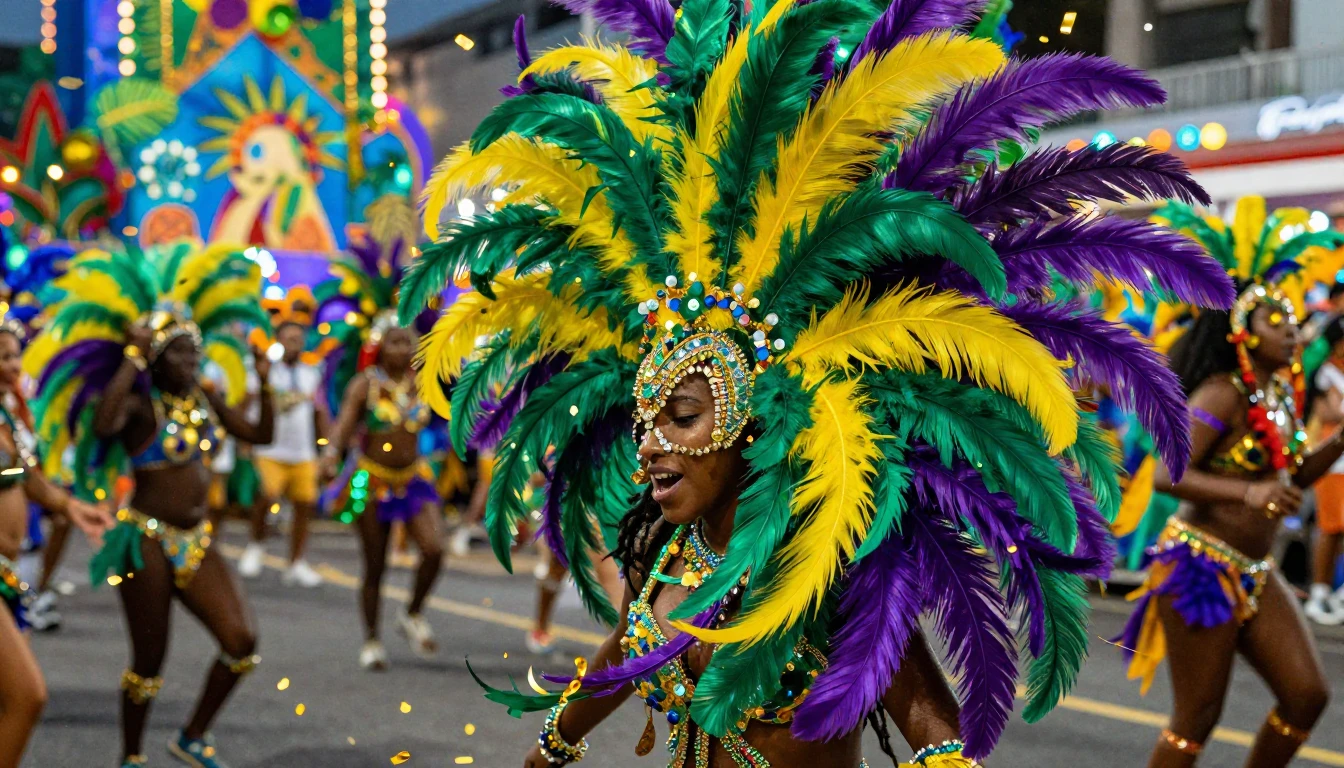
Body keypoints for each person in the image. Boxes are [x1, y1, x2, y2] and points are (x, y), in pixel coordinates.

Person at [403, 4, 1230, 764]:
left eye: (682, 415)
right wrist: (552, 747)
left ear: (751, 422)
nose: (651, 440)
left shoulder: (823, 568)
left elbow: (920, 706)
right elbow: (624, 652)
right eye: (646, 417)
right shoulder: (670, 559)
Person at [26, 242, 274, 768]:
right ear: (157, 361)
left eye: (195, 350)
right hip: (146, 541)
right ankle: (132, 756)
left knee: (241, 641)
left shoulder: (202, 399)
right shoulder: (139, 407)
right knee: (149, 660)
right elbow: (103, 424)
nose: (192, 360)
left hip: (197, 540)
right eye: (179, 352)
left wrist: (266, 380)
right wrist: (132, 357)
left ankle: (191, 736)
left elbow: (260, 433)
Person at [1115, 197, 1344, 767]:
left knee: (1305, 696)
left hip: (1255, 571)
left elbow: (1287, 473)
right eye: (1276, 321)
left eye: (1293, 320)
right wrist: (1249, 492)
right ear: (1242, 329)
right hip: (1200, 565)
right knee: (1195, 721)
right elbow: (1168, 473)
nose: (1291, 331)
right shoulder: (1221, 392)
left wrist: (1338, 441)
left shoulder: (1277, 397)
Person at [315, 234, 443, 670]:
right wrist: (330, 455)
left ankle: (411, 613)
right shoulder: (364, 385)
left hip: (414, 477)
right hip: (370, 480)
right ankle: (371, 639)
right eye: (393, 342)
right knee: (375, 564)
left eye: (407, 341)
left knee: (435, 550)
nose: (402, 349)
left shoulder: (423, 382)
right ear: (376, 346)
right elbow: (342, 426)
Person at [0, 318, 112, 767]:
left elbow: (26, 481)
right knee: (27, 696)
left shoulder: (9, 413)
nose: (12, 364)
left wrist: (70, 508)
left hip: (7, 575)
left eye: (14, 354)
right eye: (3, 355)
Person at [238, 320, 325, 587]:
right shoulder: (264, 372)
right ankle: (255, 545)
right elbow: (245, 404)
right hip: (269, 449)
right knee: (267, 496)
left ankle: (296, 562)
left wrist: (327, 448)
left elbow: (320, 413)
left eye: (298, 339)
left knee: (304, 505)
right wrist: (244, 437)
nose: (294, 344)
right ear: (278, 341)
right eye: (289, 338)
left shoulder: (312, 374)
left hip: (303, 452)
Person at [1306, 315, 1344, 625]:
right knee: (1331, 525)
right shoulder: (1325, 373)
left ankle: (1337, 593)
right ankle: (1319, 592)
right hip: (1332, 462)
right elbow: (1329, 412)